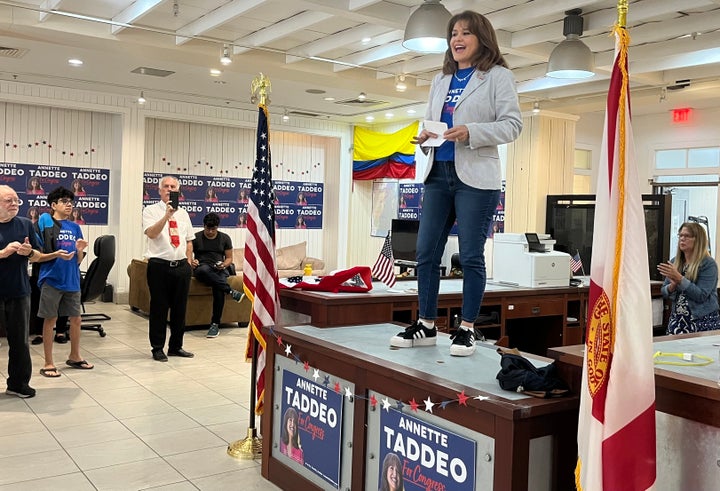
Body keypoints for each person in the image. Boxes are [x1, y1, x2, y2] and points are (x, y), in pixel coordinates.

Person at [389, 11, 522, 357]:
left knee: (471, 255)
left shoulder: (497, 77)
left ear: (482, 38)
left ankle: (467, 328)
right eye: (453, 34)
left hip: (476, 178)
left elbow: (512, 125)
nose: (457, 39)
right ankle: (428, 325)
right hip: (438, 172)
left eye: (465, 33)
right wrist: (425, 137)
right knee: (425, 253)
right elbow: (436, 121)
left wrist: (472, 132)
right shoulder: (440, 80)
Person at [0, 185, 66, 398]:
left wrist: (29, 253)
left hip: (19, 290)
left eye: (16, 200)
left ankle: (18, 384)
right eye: (8, 201)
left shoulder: (26, 224)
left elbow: (38, 255)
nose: (14, 205)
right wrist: (3, 253)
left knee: (20, 340)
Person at [36, 187, 93, 377]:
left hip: (72, 280)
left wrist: (79, 250)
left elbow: (77, 261)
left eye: (71, 201)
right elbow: (36, 256)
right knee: (50, 319)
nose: (69, 205)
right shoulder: (45, 225)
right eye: (64, 201)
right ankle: (48, 362)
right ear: (53, 205)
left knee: (76, 319)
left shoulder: (75, 227)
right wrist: (55, 254)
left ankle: (75, 355)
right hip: (51, 279)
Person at [142, 175, 195, 361]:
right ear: (159, 190)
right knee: (159, 308)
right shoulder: (150, 210)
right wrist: (167, 215)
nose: (169, 189)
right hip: (159, 266)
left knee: (180, 309)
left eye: (173, 187)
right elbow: (152, 233)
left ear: (178, 191)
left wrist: (188, 264)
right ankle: (157, 348)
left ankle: (176, 346)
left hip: (181, 267)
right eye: (166, 186)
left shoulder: (184, 214)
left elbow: (189, 241)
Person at [658, 222, 720, 334]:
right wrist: (672, 286)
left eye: (687, 236)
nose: (682, 239)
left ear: (698, 240)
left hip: (701, 320)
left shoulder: (708, 264)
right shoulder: (675, 262)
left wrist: (680, 279)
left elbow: (701, 295)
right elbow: (664, 291)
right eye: (680, 235)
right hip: (677, 320)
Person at [191, 212, 243, 338]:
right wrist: (193, 261)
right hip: (202, 268)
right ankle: (231, 291)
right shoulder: (196, 237)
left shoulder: (224, 238)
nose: (210, 232)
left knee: (218, 288)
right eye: (208, 229)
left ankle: (215, 324)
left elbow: (229, 258)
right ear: (203, 226)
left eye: (213, 229)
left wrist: (224, 265)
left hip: (219, 268)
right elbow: (187, 254)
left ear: (217, 227)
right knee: (203, 270)